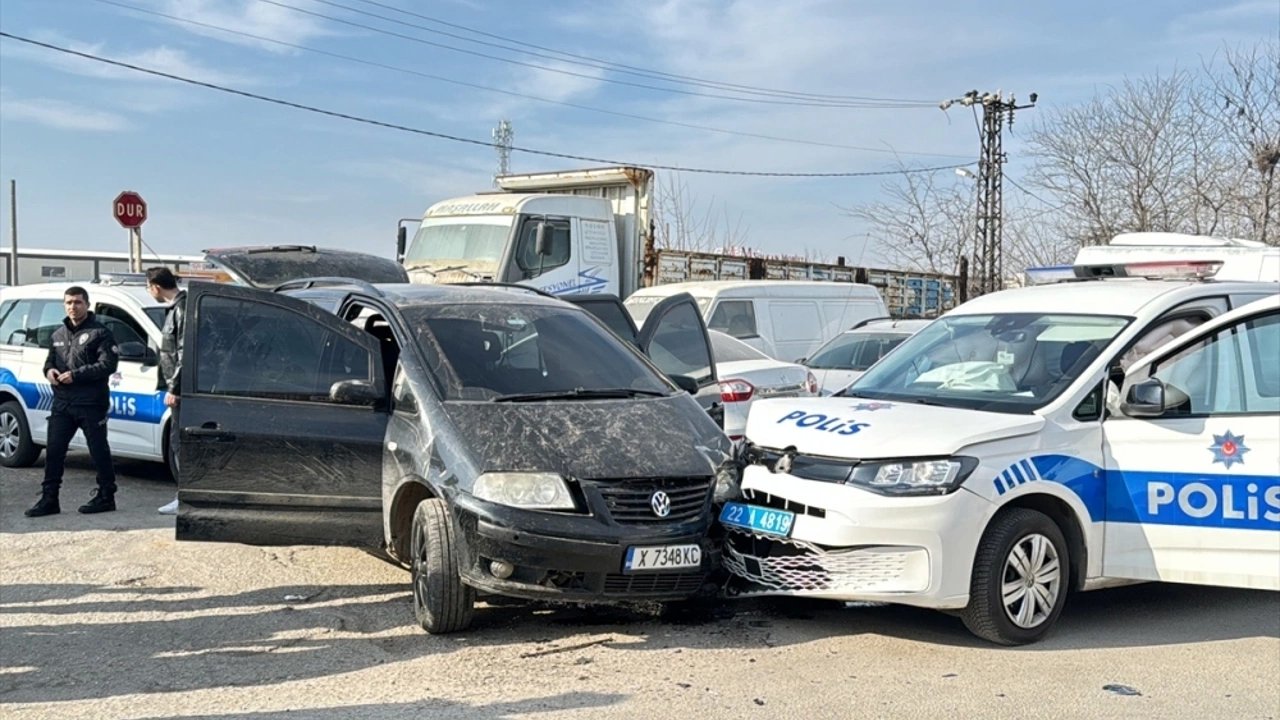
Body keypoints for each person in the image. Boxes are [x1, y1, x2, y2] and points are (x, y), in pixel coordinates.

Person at [25, 286, 120, 517]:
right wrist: (49, 372)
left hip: (91, 403)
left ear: (87, 304)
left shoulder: (101, 333)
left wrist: (76, 375)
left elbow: (108, 365)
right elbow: (49, 363)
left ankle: (106, 496)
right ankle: (49, 499)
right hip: (62, 404)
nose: (72, 307)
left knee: (98, 451)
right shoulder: (58, 334)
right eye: (68, 303)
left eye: (77, 302)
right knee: (54, 452)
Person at [147, 267, 185, 515]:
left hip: (181, 390)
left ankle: (185, 497)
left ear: (155, 287)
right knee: (177, 443)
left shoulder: (181, 309)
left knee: (179, 443)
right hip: (177, 387)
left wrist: (175, 387)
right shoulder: (175, 309)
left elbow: (183, 352)